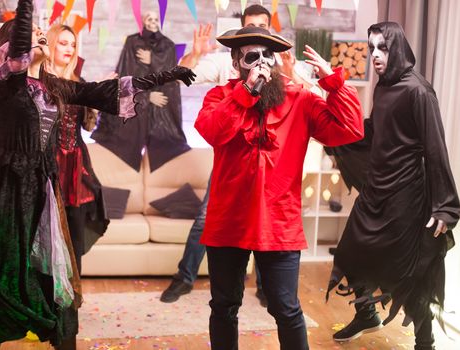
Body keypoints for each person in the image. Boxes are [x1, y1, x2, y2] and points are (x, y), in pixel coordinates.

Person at [0, 1, 195, 349]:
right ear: (13, 48)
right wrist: (27, 7)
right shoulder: (7, 82)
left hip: (44, 190)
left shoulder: (56, 87)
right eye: (35, 36)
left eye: (42, 36)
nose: (40, 39)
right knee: (0, 276)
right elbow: (22, 41)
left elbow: (105, 90)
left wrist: (165, 75)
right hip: (9, 191)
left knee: (55, 283)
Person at [195, 26, 363, 350]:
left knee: (286, 309)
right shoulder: (219, 98)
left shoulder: (299, 100)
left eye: (267, 55)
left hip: (279, 223)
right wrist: (245, 94)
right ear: (236, 63)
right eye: (252, 56)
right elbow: (212, 131)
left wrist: (333, 82)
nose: (262, 64)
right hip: (228, 222)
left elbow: (351, 129)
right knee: (224, 306)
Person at [160, 3, 317, 306]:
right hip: (231, 151)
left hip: (270, 163)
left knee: (266, 221)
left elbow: (314, 103)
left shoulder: (282, 63)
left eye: (263, 28)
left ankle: (266, 288)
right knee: (207, 219)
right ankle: (185, 278)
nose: (259, 58)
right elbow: (186, 75)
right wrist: (195, 54)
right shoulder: (225, 66)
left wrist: (291, 76)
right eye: (251, 28)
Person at [326, 22, 459, 350]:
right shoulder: (383, 87)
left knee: (407, 274)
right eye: (371, 48)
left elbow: (435, 147)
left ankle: (424, 342)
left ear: (397, 47)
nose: (374, 55)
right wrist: (341, 136)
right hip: (376, 191)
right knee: (351, 253)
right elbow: (377, 132)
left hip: (406, 198)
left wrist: (445, 204)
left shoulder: (419, 91)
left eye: (382, 48)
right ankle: (366, 313)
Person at [91, 10, 190, 172]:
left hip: (160, 115)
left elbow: (171, 79)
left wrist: (153, 60)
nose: (153, 21)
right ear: (143, 21)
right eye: (150, 18)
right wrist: (146, 96)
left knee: (167, 146)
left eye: (156, 19)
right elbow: (125, 77)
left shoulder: (168, 45)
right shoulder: (132, 43)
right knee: (122, 139)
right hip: (136, 113)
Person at [45, 24, 107, 274]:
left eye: (72, 44)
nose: (69, 49)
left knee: (74, 238)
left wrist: (96, 99)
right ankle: (47, 303)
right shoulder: (40, 80)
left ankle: (71, 304)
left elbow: (87, 126)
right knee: (48, 237)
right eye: (63, 43)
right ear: (50, 45)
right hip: (48, 164)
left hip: (77, 167)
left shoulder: (78, 82)